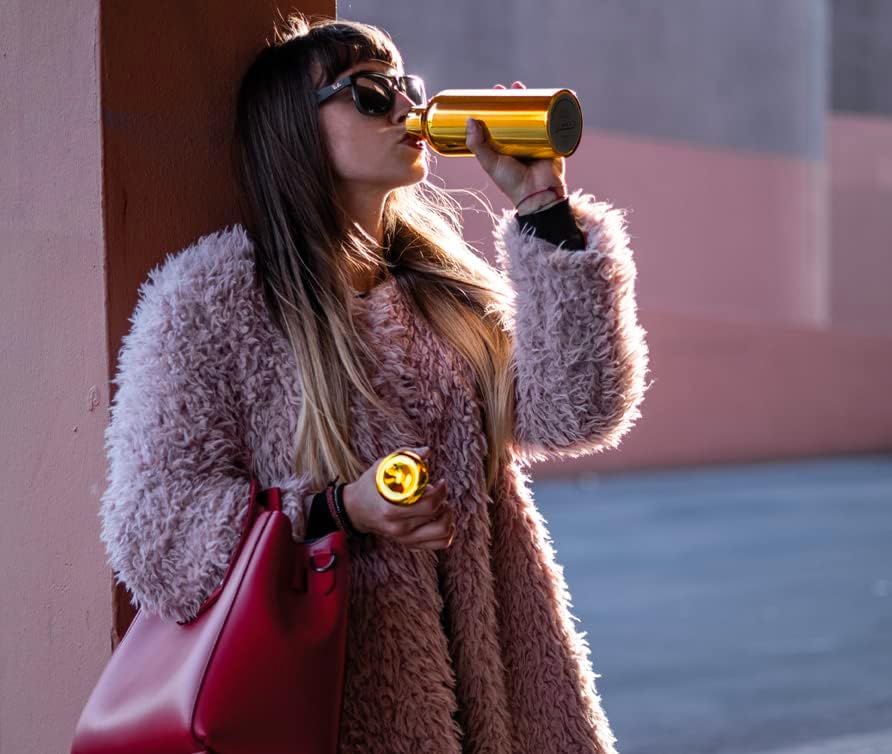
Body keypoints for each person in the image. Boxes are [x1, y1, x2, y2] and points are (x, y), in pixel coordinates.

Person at [98, 12, 650, 754]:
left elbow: (577, 411)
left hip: (504, 704)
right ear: (295, 128)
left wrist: (542, 209)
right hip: (335, 708)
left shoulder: (440, 291)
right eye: (367, 93)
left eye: (404, 85)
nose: (402, 106)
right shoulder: (211, 298)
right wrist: (335, 511)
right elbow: (152, 531)